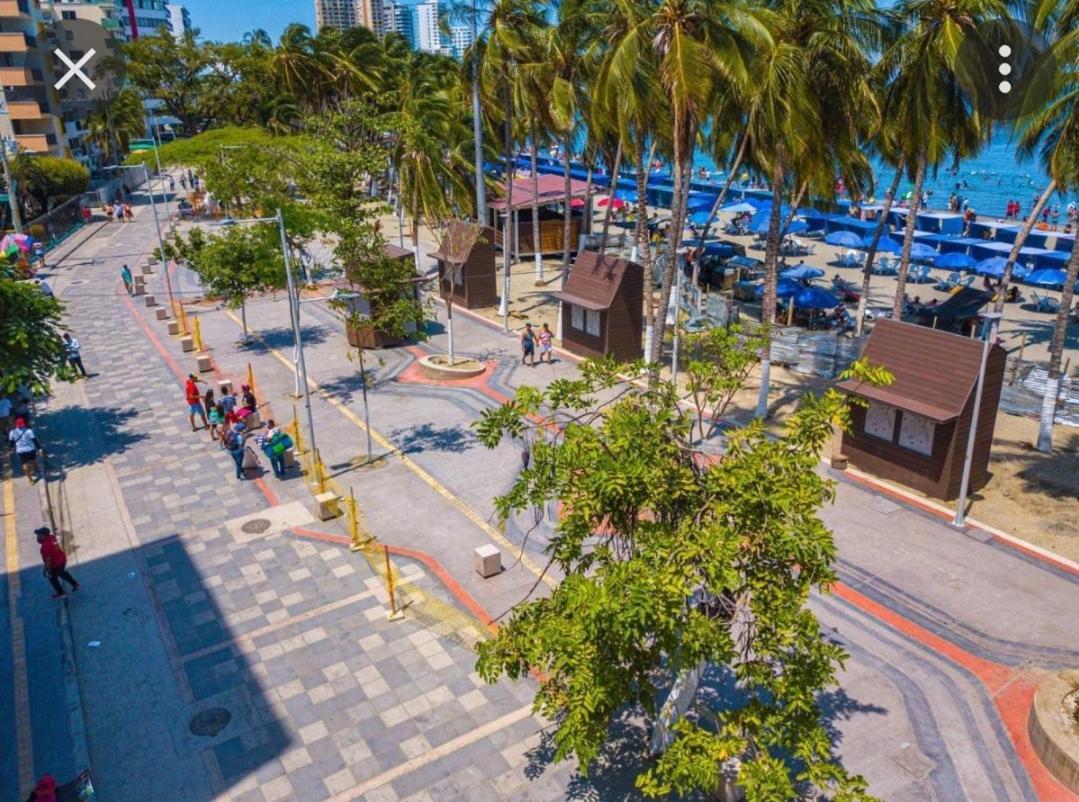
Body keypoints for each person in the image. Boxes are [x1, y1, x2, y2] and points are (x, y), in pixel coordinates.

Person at [36, 527, 78, 599]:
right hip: (62, 559)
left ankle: (61, 593)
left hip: (56, 564)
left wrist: (47, 570)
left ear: (44, 536)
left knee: (52, 578)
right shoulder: (52, 537)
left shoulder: (45, 547)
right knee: (62, 573)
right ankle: (75, 584)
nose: (37, 537)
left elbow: (48, 560)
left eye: (39, 535)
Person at [8, 417, 42, 484]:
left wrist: (11, 449)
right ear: (24, 424)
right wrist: (40, 448)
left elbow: (11, 443)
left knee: (24, 465)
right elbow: (35, 441)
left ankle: (30, 479)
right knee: (34, 461)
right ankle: (37, 472)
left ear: (16, 425)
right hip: (31, 450)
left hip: (21, 452)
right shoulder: (29, 431)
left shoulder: (12, 432)